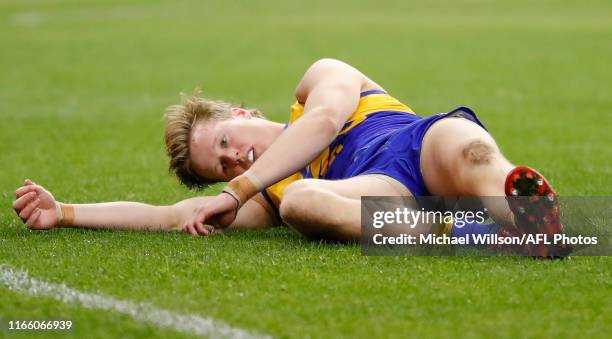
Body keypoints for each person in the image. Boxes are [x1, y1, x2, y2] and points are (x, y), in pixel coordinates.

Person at [12, 59, 564, 256]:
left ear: (242, 111)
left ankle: (525, 211)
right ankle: (492, 231)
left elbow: (325, 122)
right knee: (303, 203)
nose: (233, 160)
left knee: (463, 141)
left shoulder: (319, 79)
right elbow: (168, 216)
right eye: (220, 167)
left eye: (225, 141)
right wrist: (65, 212)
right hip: (379, 193)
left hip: (420, 147)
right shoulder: (272, 192)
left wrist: (241, 187)